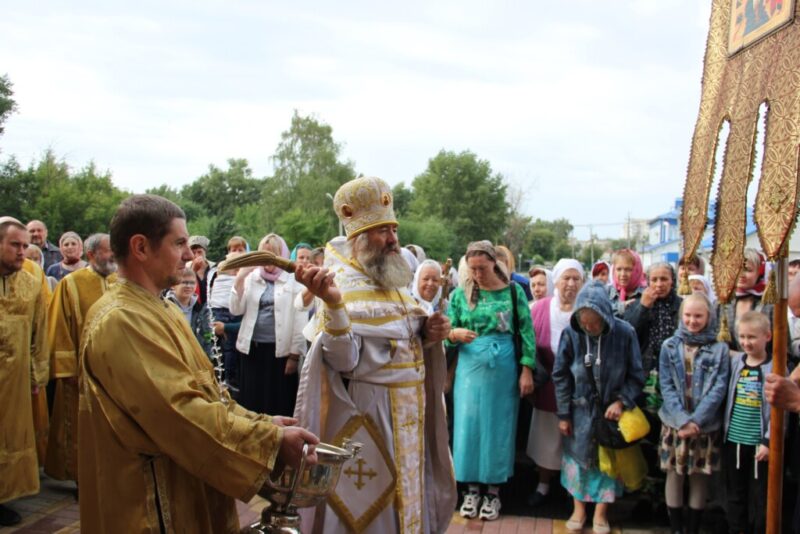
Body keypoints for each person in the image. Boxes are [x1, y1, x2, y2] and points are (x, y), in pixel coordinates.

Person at [78, 194, 317, 533]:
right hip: (149, 504)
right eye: (179, 243)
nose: (190, 255)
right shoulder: (121, 321)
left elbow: (207, 392)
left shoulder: (162, 308)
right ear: (141, 248)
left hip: (183, 488)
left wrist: (262, 422)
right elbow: (180, 411)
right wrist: (268, 440)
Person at [293, 176, 456, 533]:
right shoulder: (341, 285)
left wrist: (427, 334)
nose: (394, 239)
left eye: (393, 229)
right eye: (383, 231)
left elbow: (403, 340)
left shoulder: (393, 283)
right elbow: (342, 360)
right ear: (360, 239)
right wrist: (333, 304)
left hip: (410, 414)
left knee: (409, 500)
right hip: (370, 417)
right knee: (372, 512)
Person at [446, 240, 535, 521]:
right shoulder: (461, 294)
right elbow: (449, 329)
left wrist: (527, 369)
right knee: (468, 426)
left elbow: (527, 332)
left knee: (498, 427)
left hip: (502, 368)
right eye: (472, 269)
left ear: (494, 264)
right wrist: (453, 334)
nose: (477, 274)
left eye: (482, 268)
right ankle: (470, 489)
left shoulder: (513, 291)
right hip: (469, 369)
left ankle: (493, 492)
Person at [553, 281, 645, 534]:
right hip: (579, 410)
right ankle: (579, 510)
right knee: (578, 460)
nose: (589, 328)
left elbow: (637, 375)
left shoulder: (625, 333)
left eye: (594, 323)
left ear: (606, 315)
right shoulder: (572, 333)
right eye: (584, 323)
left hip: (611, 413)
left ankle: (602, 514)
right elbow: (560, 374)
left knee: (608, 464)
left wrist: (621, 401)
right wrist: (563, 413)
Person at [45, 233, 118, 484]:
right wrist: (67, 371)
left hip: (118, 373)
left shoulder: (124, 282)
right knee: (81, 428)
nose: (114, 255)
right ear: (91, 255)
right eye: (109, 250)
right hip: (82, 373)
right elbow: (59, 329)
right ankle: (82, 478)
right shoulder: (71, 284)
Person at [658, 294, 730, 534]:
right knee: (674, 474)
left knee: (700, 476)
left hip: (704, 426)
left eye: (698, 316)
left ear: (709, 317)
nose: (692, 320)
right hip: (675, 423)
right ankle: (676, 527)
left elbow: (718, 388)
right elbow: (666, 386)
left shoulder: (720, 350)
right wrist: (682, 420)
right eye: (687, 315)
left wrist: (696, 420)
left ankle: (693, 528)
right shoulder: (669, 346)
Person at [0, 217, 49, 526]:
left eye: (25, 246)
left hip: (14, 380)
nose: (22, 252)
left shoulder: (32, 282)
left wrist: (36, 376)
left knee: (8, 437)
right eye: (14, 245)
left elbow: (39, 332)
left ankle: (2, 496)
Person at [526, 258, 584, 507]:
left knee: (575, 439)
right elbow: (528, 345)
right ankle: (543, 484)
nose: (570, 284)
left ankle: (573, 489)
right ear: (556, 281)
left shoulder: (586, 309)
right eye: (566, 278)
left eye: (576, 279)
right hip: (547, 382)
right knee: (545, 438)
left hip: (578, 387)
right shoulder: (538, 308)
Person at [230, 233, 307, 416]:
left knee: (278, 401)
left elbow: (299, 318)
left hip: (280, 353)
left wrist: (294, 356)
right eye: (263, 254)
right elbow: (235, 310)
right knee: (252, 400)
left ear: (281, 255)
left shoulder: (292, 279)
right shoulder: (252, 277)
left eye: (272, 254)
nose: (267, 259)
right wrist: (240, 278)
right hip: (252, 349)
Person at [724, 311, 773, 534]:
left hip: (759, 443)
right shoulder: (736, 363)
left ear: (767, 337)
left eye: (752, 337)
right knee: (736, 492)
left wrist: (768, 440)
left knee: (760, 494)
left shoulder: (774, 367)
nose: (746, 342)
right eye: (742, 337)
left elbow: (778, 410)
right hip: (734, 438)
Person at [207, 236, 247, 393]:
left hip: (235, 316)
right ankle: (227, 379)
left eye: (240, 249)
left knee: (233, 349)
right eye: (233, 249)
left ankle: (230, 379)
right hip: (222, 311)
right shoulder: (223, 266)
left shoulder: (250, 270)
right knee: (226, 348)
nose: (236, 253)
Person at [721, 248, 773, 351]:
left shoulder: (770, 304)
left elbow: (782, 345)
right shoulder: (723, 302)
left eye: (748, 270)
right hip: (729, 363)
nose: (741, 274)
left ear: (760, 273)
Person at [165, 267, 213, 357]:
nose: (188, 286)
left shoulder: (202, 310)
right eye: (184, 282)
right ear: (172, 285)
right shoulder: (164, 307)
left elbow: (207, 337)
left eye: (192, 283)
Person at [607, 248, 645, 318]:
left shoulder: (646, 294)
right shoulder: (606, 292)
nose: (623, 274)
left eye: (628, 269)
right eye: (618, 269)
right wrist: (619, 308)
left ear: (637, 270)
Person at [188, 235, 213, 306]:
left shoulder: (214, 268)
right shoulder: (185, 268)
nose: (196, 255)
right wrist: (193, 270)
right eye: (193, 253)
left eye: (199, 252)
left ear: (205, 252)